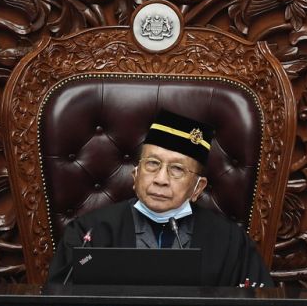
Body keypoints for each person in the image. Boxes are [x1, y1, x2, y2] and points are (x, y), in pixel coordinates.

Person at [47, 109, 274, 286]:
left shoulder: (230, 242)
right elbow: (59, 303)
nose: (161, 179)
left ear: (197, 188)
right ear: (135, 176)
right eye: (153, 164)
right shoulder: (89, 233)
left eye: (177, 169)